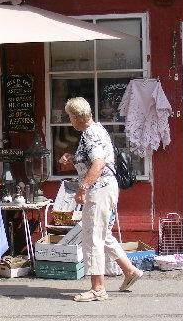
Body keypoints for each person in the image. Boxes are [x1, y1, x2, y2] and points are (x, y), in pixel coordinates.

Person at [60, 97, 143, 302]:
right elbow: (93, 161)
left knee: (93, 237)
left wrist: (83, 187)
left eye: (70, 116)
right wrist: (73, 161)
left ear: (77, 117)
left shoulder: (91, 134)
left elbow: (98, 163)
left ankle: (98, 288)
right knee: (103, 234)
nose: (69, 120)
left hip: (99, 190)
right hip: (105, 188)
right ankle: (130, 270)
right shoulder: (95, 131)